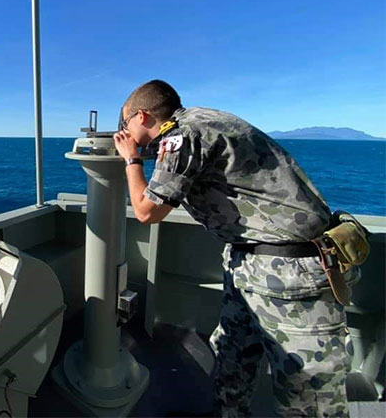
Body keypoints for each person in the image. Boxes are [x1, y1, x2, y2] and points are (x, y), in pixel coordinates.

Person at [113, 79, 354, 416]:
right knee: (232, 356)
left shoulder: (184, 136)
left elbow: (146, 211)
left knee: (308, 389)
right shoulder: (202, 120)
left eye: (124, 124)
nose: (122, 132)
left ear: (141, 116)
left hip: (290, 273)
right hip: (252, 264)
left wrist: (131, 159)